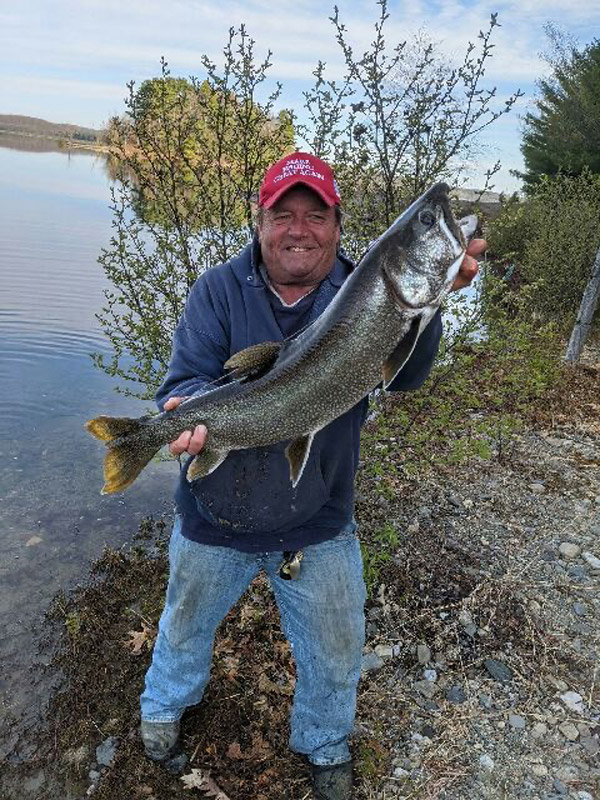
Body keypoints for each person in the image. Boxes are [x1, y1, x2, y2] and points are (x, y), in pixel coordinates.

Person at [139, 152, 484, 800]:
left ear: (336, 223)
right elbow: (184, 379)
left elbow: (405, 377)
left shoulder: (365, 288)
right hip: (214, 516)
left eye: (315, 215)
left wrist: (432, 307)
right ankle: (162, 708)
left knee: (335, 654)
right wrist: (183, 411)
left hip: (318, 519)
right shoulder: (217, 288)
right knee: (182, 627)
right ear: (260, 220)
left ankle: (324, 745)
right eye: (284, 214)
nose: (299, 228)